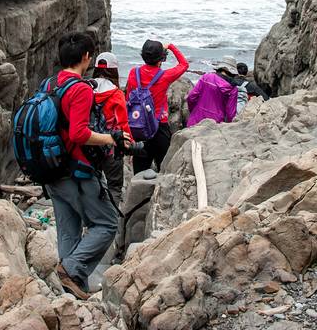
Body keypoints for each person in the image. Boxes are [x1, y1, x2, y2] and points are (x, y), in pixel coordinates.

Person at [48, 31, 130, 300]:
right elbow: (79, 133)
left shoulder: (50, 85)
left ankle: (73, 288)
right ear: (85, 57)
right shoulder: (81, 89)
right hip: (77, 169)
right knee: (106, 223)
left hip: (52, 168)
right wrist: (112, 138)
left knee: (68, 229)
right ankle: (70, 270)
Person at [126, 39, 188, 171]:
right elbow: (184, 64)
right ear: (161, 59)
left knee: (140, 170)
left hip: (138, 126)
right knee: (164, 167)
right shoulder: (165, 76)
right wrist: (170, 46)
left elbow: (128, 99)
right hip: (159, 126)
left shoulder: (133, 73)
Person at [91, 51, 132, 206]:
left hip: (88, 143)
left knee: (92, 183)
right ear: (115, 70)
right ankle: (112, 219)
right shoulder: (115, 93)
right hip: (110, 147)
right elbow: (123, 124)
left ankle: (91, 216)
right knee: (114, 185)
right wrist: (128, 144)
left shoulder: (86, 88)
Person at [186, 56, 239, 126]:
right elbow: (230, 113)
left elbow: (191, 97)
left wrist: (193, 111)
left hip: (196, 120)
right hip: (215, 125)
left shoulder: (206, 77)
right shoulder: (233, 89)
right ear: (232, 72)